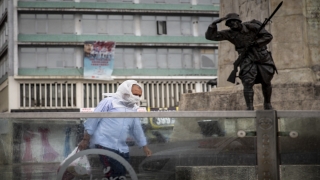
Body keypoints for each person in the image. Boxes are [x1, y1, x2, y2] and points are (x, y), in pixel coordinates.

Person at [78, 80, 152, 179]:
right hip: (105, 144)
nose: (137, 97)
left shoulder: (133, 108)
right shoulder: (109, 102)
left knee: (122, 173)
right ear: (126, 90)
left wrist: (144, 146)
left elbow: (136, 128)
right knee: (113, 173)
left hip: (122, 147)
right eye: (135, 94)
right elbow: (93, 119)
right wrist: (85, 139)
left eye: (139, 95)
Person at [205, 13, 277, 110]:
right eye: (229, 23)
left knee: (266, 81)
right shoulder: (230, 33)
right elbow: (211, 37)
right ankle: (250, 107)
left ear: (238, 21)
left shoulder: (252, 27)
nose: (232, 24)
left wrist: (256, 43)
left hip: (262, 57)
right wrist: (213, 25)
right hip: (247, 58)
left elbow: (268, 36)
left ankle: (267, 104)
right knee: (247, 82)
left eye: (233, 21)